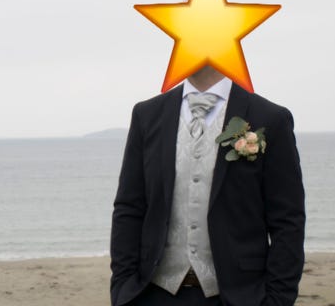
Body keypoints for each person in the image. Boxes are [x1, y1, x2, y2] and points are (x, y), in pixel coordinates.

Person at [110, 65, 305, 306]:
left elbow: (288, 220)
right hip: (153, 293)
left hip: (240, 296)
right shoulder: (147, 114)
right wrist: (123, 289)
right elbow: (129, 208)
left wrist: (277, 299)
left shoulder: (271, 118)